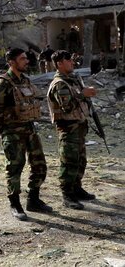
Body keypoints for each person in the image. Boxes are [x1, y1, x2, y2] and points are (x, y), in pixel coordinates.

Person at [0, 48, 52, 220]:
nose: (27, 61)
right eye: (22, 59)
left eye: (26, 58)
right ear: (12, 62)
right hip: (13, 133)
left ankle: (33, 200)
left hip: (30, 130)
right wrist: (5, 133)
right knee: (15, 168)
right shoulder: (3, 84)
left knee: (39, 165)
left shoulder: (25, 80)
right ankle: (15, 204)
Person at [47, 49, 97, 210]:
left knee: (80, 160)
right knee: (69, 162)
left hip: (78, 127)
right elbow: (66, 106)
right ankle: (67, 195)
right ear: (60, 64)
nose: (72, 62)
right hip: (68, 128)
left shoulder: (71, 80)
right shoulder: (60, 84)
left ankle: (77, 188)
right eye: (68, 60)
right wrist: (82, 94)